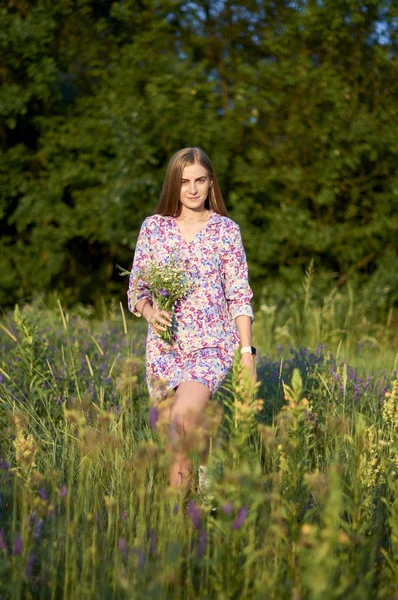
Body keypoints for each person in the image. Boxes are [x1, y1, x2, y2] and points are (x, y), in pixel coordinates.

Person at [127, 147, 255, 491]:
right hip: (164, 349)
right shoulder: (154, 228)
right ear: (174, 184)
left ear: (211, 183)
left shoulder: (226, 231)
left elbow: (239, 295)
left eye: (200, 180)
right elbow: (137, 290)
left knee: (182, 424)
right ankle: (192, 517)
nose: (193, 189)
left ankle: (184, 518)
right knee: (177, 442)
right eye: (185, 182)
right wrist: (151, 313)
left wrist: (247, 353)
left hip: (211, 344)